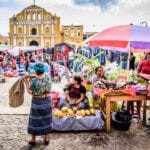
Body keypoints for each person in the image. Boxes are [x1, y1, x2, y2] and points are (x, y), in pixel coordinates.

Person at [24, 63, 52, 147]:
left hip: (37, 101)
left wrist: (26, 83)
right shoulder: (47, 76)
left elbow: (30, 92)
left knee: (35, 120)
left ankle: (33, 139)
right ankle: (46, 138)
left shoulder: (34, 80)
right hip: (47, 100)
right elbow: (49, 89)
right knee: (46, 118)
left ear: (36, 70)